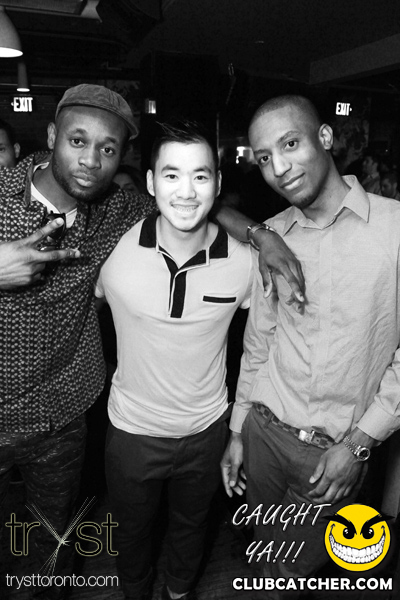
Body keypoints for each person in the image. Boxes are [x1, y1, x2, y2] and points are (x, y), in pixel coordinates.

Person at [0, 84, 304, 599]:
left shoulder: (116, 213)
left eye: (108, 148)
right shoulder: (5, 193)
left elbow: (191, 203)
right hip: (18, 411)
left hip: (65, 415)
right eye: (77, 140)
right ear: (51, 136)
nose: (91, 160)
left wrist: (262, 235)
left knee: (52, 546)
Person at [221, 95, 400, 598]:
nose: (278, 168)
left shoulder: (394, 229)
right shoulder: (274, 236)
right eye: (263, 157)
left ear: (324, 138)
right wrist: (237, 430)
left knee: (294, 575)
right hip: (263, 433)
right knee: (264, 552)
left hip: (333, 453)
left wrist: (360, 444)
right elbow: (259, 343)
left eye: (290, 144)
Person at [96, 120, 253, 600]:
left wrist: (238, 430)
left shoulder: (246, 262)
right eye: (171, 175)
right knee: (130, 532)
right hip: (131, 432)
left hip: (206, 431)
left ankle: (179, 593)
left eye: (200, 175)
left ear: (218, 184)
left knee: (192, 526)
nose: (186, 191)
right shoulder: (112, 248)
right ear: (150, 183)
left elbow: (265, 347)